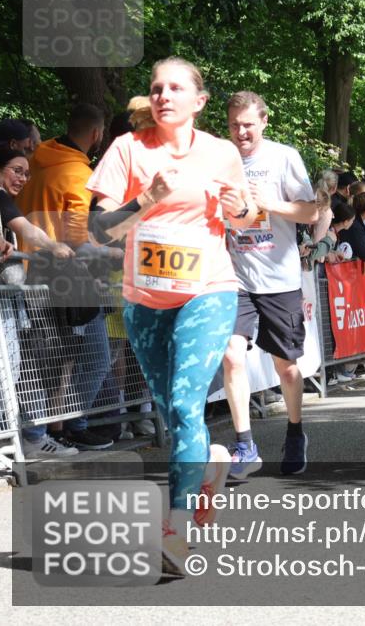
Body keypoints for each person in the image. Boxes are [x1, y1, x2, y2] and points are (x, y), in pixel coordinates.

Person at [86, 57, 252, 574]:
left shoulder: (221, 152)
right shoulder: (127, 149)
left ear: (199, 101)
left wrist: (240, 208)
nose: (163, 96)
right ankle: (211, 466)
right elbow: (99, 231)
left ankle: (176, 530)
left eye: (175, 88)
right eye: (156, 88)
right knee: (175, 415)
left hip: (208, 289)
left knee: (184, 402)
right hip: (144, 299)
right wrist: (146, 198)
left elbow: (246, 216)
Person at [220, 91, 319, 479]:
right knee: (232, 354)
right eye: (234, 125)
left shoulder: (283, 157)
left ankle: (295, 431)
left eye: (248, 124)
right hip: (235, 276)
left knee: (287, 367)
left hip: (279, 277)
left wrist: (270, 203)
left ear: (264, 121)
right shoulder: (219, 160)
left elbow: (311, 212)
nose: (241, 132)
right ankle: (245, 445)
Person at [16, 102, 121, 451]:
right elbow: (77, 241)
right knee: (92, 359)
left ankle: (57, 431)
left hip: (24, 274)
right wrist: (115, 254)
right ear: (97, 134)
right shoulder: (78, 174)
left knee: (50, 362)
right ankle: (68, 428)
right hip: (63, 278)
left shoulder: (37, 157)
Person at [0, 148, 80, 458]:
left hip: (4, 304)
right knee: (4, 370)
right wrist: (55, 246)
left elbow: (24, 230)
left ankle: (11, 442)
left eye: (26, 173)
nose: (23, 178)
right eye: (16, 170)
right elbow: (27, 230)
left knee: (10, 370)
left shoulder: (2, 200)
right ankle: (3, 444)